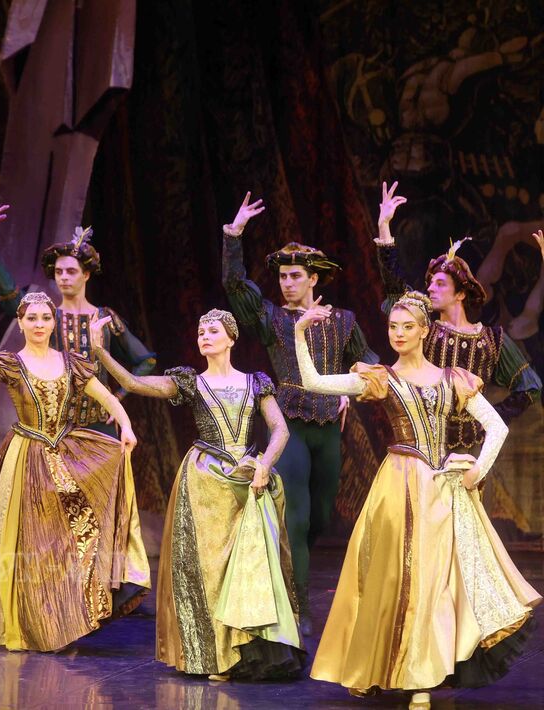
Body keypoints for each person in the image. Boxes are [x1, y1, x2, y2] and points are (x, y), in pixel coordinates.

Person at [296, 290, 540, 709]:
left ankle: (423, 674)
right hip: (398, 485)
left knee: (434, 581)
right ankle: (389, 669)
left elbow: (496, 427)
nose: (399, 333)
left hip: (440, 487)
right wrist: (301, 333)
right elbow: (314, 383)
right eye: (393, 326)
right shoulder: (381, 378)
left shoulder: (452, 379)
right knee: (394, 578)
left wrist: (477, 470)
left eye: (408, 326)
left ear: (426, 331)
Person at [0, 280, 150, 652]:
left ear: (53, 323)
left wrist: (126, 425)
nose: (39, 324)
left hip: (66, 452)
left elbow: (106, 397)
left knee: (71, 539)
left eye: (45, 318)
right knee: (35, 544)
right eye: (32, 318)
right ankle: (38, 622)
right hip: (26, 456)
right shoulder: (11, 364)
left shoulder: (71, 363)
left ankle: (70, 615)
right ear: (20, 323)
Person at [90, 308, 304, 680]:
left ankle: (250, 647)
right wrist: (100, 351)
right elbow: (135, 384)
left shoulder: (256, 382)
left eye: (213, 330)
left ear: (231, 338)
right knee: (210, 569)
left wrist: (265, 465)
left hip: (248, 479)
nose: (204, 336)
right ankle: (217, 656)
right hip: (206, 480)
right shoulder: (190, 382)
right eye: (201, 331)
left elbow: (280, 430)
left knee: (252, 563)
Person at [222, 192, 379, 632]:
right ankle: (299, 605)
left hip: (328, 425)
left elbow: (366, 360)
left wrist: (349, 387)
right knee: (299, 514)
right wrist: (234, 235)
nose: (287, 283)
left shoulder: (342, 320)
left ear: (313, 279)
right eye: (283, 276)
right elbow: (236, 288)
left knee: (323, 516)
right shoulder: (272, 318)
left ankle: (291, 565)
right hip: (288, 424)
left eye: (295, 276)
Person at [375, 180, 541, 450]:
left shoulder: (491, 339)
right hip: (425, 445)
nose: (431, 288)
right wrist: (384, 227)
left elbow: (529, 387)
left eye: (440, 284)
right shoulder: (424, 329)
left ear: (461, 293)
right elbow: (395, 288)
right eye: (430, 283)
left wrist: (490, 418)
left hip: (470, 449)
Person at [0, 199, 156, 435]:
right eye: (59, 271)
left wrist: (118, 396)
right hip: (57, 426)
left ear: (86, 275)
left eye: (71, 271)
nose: (63, 277)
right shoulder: (48, 318)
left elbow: (146, 361)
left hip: (100, 425)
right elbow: (11, 297)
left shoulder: (104, 318)